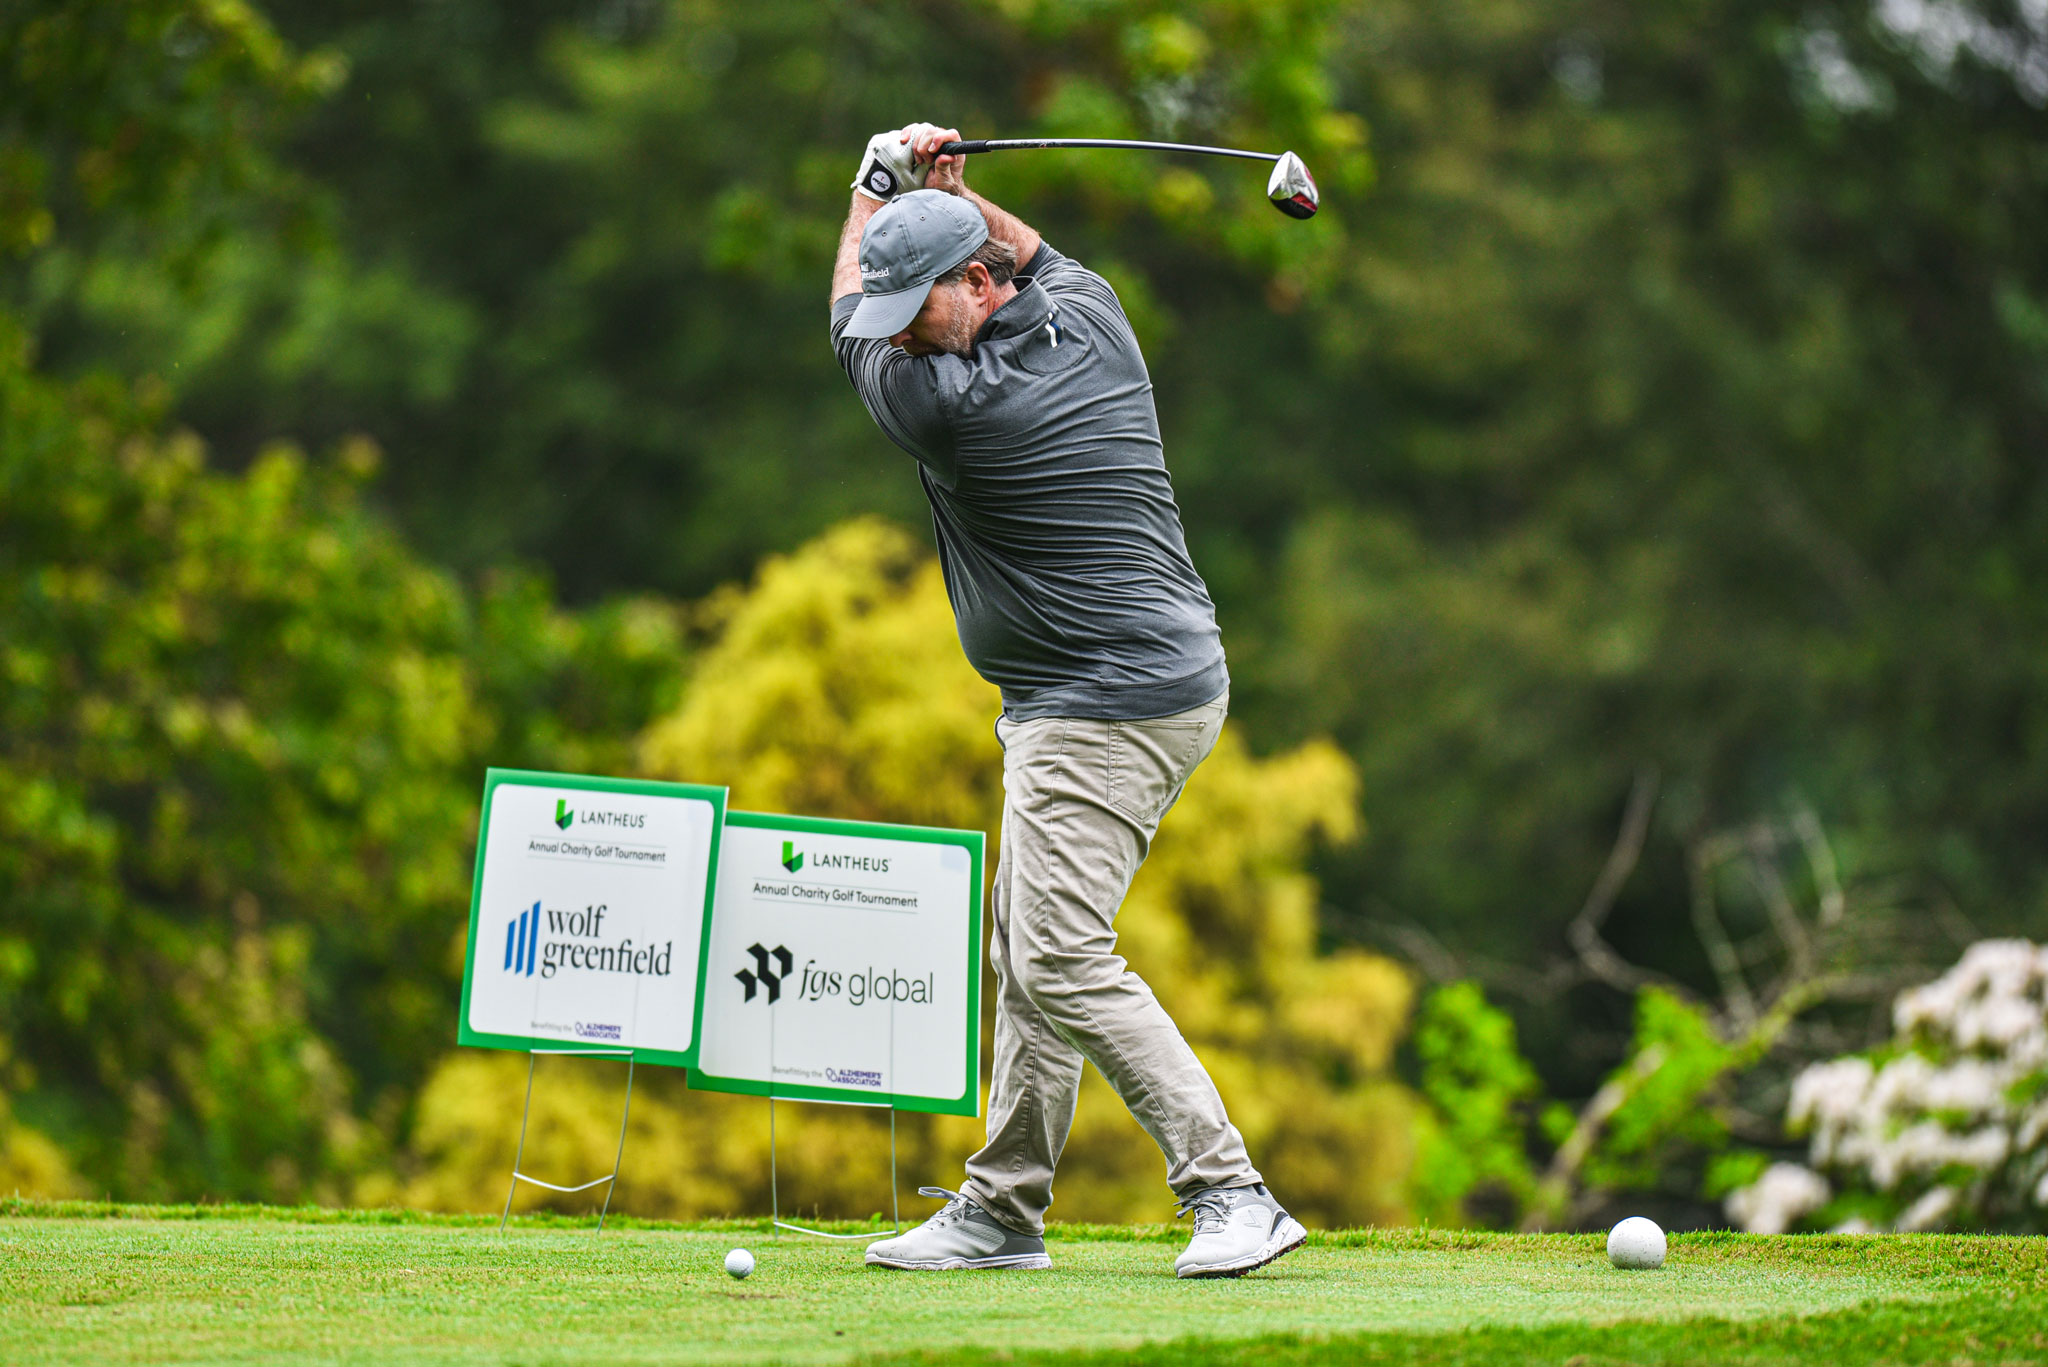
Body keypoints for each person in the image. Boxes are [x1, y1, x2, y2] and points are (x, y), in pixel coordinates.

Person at [829, 123, 1306, 1280]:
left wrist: (872, 183)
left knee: (1054, 955)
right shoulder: (1090, 312)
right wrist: (948, 195)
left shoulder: (947, 406)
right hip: (1143, 679)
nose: (901, 334)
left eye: (918, 310)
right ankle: (1002, 1208)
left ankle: (1230, 1189)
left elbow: (844, 313)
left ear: (976, 282)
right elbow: (1020, 249)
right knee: (1026, 944)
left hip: (1102, 702)